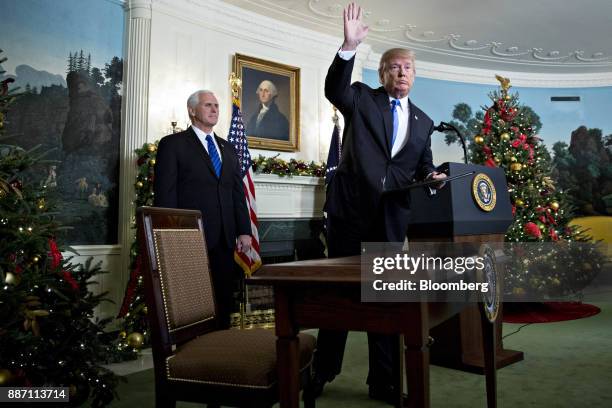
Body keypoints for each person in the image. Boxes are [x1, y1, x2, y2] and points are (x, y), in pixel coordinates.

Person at [312, 2, 447, 403]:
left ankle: (384, 382)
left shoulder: (424, 121)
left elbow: (420, 167)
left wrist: (432, 179)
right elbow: (333, 88)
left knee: (386, 302)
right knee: (338, 301)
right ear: (382, 73)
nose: (401, 72)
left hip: (390, 224)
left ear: (415, 76)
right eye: (394, 67)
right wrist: (348, 47)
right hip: (349, 217)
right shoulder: (361, 100)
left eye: (408, 67)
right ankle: (321, 372)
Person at [154, 90, 253, 327]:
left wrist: (244, 230)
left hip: (225, 238)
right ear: (192, 110)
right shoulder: (173, 144)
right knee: (193, 298)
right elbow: (165, 195)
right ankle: (196, 349)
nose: (214, 109)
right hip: (190, 237)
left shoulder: (228, 149)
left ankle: (222, 345)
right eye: (208, 105)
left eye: (216, 106)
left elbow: (237, 193)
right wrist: (172, 234)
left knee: (223, 297)